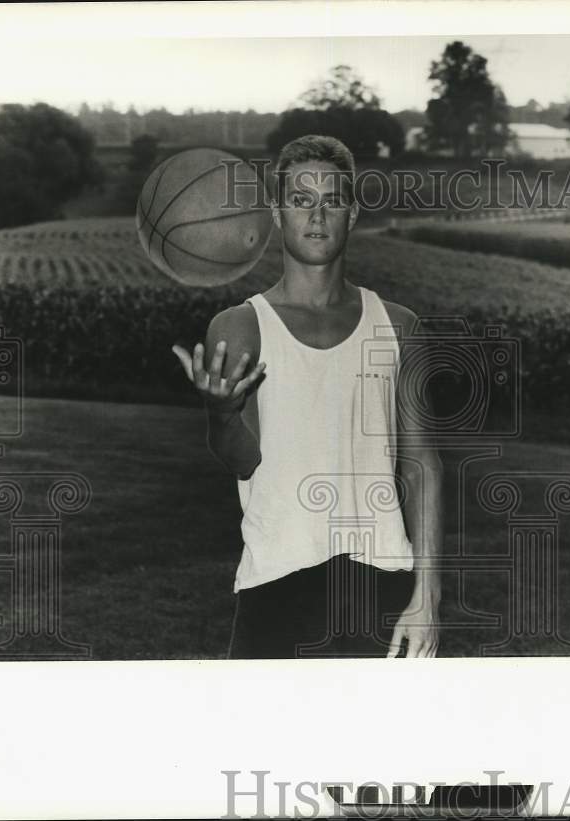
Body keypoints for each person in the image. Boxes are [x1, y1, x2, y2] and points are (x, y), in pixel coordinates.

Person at [171, 135, 443, 659]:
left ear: (353, 214)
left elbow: (421, 467)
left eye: (332, 200)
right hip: (277, 580)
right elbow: (242, 460)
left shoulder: (399, 326)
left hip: (381, 580)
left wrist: (427, 595)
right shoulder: (241, 326)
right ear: (277, 212)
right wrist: (221, 410)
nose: (316, 215)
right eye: (300, 200)